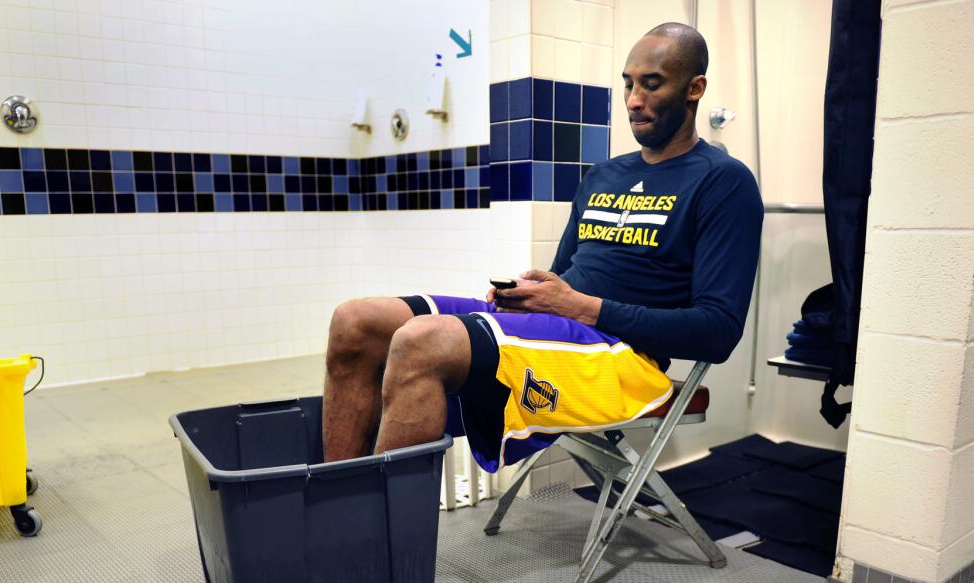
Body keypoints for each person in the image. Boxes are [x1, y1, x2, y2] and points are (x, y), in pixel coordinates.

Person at [322, 22, 763, 472]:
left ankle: (373, 533)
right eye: (628, 84)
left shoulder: (723, 183)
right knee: (356, 322)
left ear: (695, 88)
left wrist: (580, 307)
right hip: (569, 333)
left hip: (627, 362)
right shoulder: (604, 176)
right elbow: (565, 278)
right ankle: (336, 502)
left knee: (422, 341)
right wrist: (535, 294)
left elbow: (718, 331)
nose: (634, 100)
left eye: (652, 85)